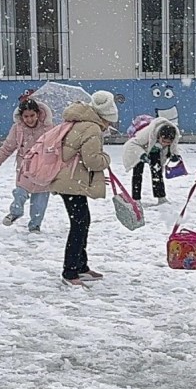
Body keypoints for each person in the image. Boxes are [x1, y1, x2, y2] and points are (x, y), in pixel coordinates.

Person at [49, 90, 117, 287]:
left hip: (70, 181)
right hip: (70, 183)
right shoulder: (92, 128)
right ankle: (70, 271)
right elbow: (92, 160)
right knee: (79, 225)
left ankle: (81, 266)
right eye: (111, 122)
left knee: (82, 222)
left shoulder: (79, 122)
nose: (110, 126)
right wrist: (106, 159)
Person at [0, 98, 54, 233]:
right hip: (24, 168)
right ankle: (15, 212)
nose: (29, 119)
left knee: (40, 201)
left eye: (32, 115)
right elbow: (7, 148)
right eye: (26, 116)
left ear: (38, 114)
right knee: (20, 193)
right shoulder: (18, 129)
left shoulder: (49, 128)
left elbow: (58, 148)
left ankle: (35, 226)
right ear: (21, 116)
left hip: (43, 169)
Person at [122, 116, 182, 204]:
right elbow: (132, 144)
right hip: (140, 148)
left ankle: (161, 196)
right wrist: (142, 155)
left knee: (157, 173)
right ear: (159, 136)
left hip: (154, 150)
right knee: (137, 174)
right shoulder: (147, 133)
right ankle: (136, 198)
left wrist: (175, 155)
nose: (165, 144)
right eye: (163, 141)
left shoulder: (174, 134)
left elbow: (174, 147)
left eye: (168, 142)